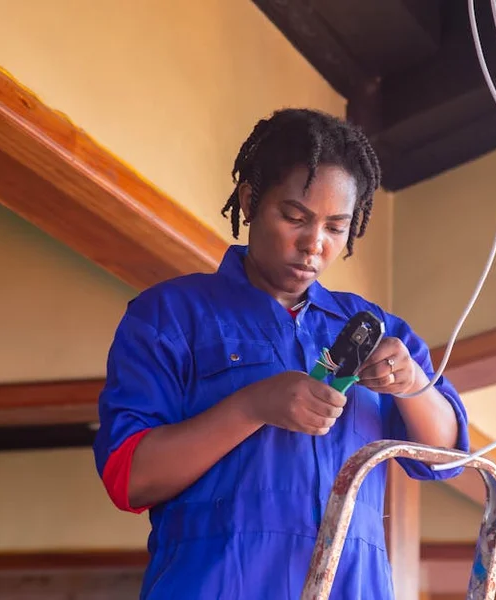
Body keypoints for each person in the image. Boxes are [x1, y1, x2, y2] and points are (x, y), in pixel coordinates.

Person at [93, 108, 470, 599]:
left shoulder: (375, 330)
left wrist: (413, 384)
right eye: (295, 217)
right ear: (249, 201)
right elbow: (130, 478)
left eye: (336, 228)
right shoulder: (170, 316)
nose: (314, 244)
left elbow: (445, 460)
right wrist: (252, 406)